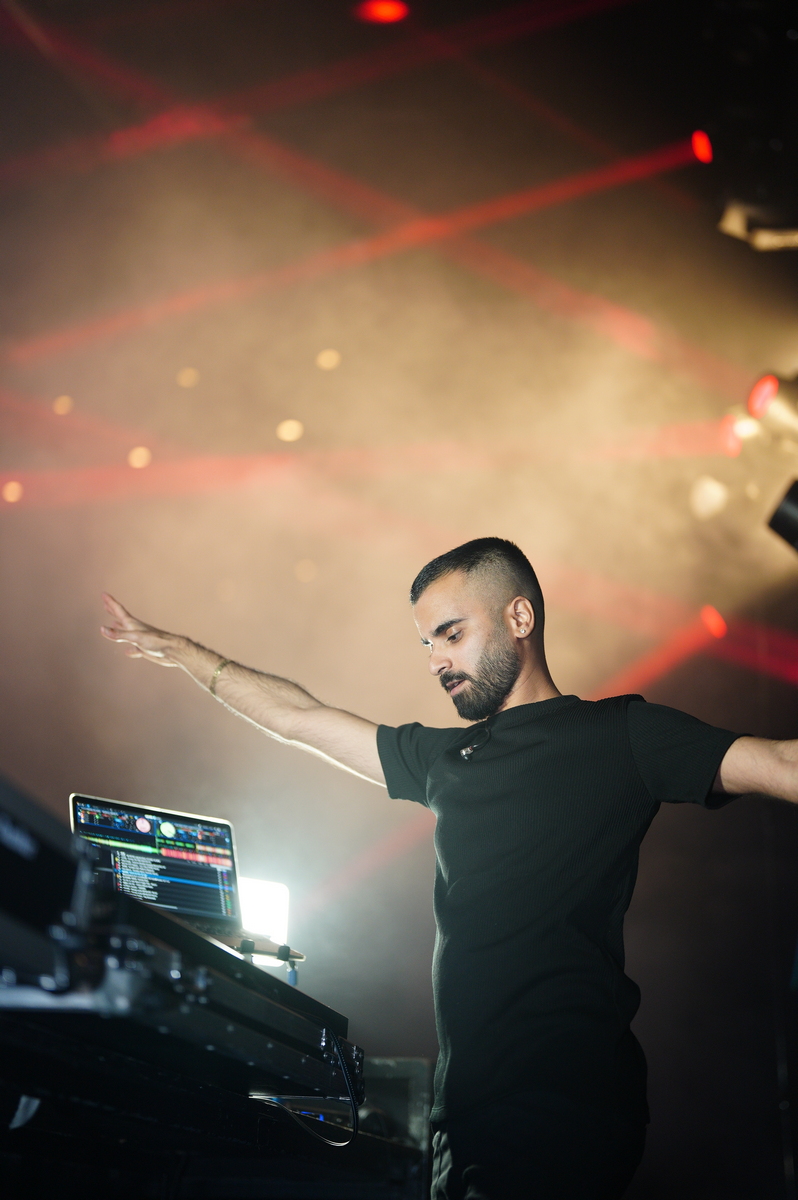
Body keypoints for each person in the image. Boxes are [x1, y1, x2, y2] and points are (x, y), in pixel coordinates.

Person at [101, 537, 798, 1200]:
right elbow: (299, 717)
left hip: (561, 1104)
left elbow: (778, 762)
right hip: (461, 1114)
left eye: (452, 634)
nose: (436, 661)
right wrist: (185, 653)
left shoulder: (621, 734)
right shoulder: (444, 759)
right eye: (427, 644)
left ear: (519, 618)